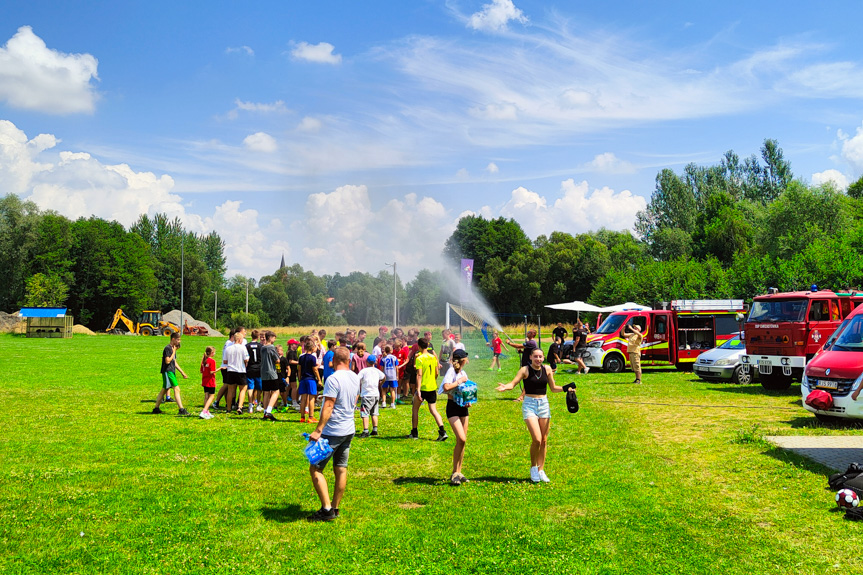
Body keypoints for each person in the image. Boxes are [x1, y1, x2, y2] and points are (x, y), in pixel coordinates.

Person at [307, 347, 361, 522]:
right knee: (340, 468)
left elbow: (329, 405)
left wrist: (318, 430)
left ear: (333, 361)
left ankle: (327, 509)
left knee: (315, 467)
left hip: (332, 431)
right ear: (349, 360)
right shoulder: (355, 377)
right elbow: (353, 400)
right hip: (349, 429)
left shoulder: (333, 378)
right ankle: (336, 508)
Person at [495, 347, 565, 483]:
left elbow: (553, 388)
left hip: (544, 404)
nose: (538, 359)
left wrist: (566, 388)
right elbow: (513, 383)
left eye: (540, 357)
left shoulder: (548, 369)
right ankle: (533, 467)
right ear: (531, 358)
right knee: (537, 439)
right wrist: (506, 387)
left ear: (543, 358)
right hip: (530, 405)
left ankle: (541, 470)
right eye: (536, 357)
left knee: (544, 440)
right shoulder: (525, 370)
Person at [408, 337, 447, 441]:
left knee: (415, 409)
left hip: (423, 388)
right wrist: (432, 380)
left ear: (419, 346)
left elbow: (419, 374)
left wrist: (419, 390)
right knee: (434, 410)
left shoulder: (419, 358)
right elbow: (437, 372)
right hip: (432, 387)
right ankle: (442, 431)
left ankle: (414, 433)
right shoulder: (433, 357)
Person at [442, 349, 471, 485]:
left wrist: (468, 400)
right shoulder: (451, 372)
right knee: (461, 438)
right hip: (452, 407)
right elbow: (446, 387)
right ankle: (454, 472)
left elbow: (464, 389)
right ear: (462, 360)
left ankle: (459, 472)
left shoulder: (463, 372)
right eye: (466, 357)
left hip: (463, 407)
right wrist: (459, 381)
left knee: (462, 442)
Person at [153, 332, 189, 415]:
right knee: (177, 389)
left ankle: (156, 408)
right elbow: (168, 360)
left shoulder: (173, 348)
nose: (179, 341)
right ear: (173, 339)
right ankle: (181, 410)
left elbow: (174, 362)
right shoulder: (168, 348)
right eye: (178, 339)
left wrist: (182, 372)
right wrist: (174, 352)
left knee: (164, 390)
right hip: (168, 371)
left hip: (171, 371)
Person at [223, 330, 250, 414]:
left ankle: (228, 408)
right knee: (243, 389)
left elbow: (225, 361)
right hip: (240, 370)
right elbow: (246, 359)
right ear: (239, 339)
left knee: (230, 390)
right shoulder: (243, 348)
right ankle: (239, 406)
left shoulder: (228, 348)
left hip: (230, 370)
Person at [358, 355, 385, 438]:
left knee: (365, 413)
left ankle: (365, 430)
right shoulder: (377, 371)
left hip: (366, 394)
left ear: (366, 362)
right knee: (374, 413)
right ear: (375, 362)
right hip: (376, 394)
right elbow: (384, 377)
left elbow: (357, 378)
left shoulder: (364, 371)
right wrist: (381, 383)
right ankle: (375, 429)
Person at [298, 339, 322, 423]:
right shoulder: (312, 358)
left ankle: (302, 417)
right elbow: (315, 369)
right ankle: (311, 417)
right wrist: (319, 379)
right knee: (311, 398)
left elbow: (299, 369)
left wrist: (299, 378)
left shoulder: (301, 357)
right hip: (311, 379)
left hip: (303, 379)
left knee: (303, 399)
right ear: (312, 348)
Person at [260, 331, 281, 421]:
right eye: (274, 337)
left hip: (263, 372)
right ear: (270, 337)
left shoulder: (263, 347)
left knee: (266, 392)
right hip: (271, 372)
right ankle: (269, 410)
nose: (274, 339)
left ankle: (265, 412)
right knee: (276, 391)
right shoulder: (271, 347)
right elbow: (277, 360)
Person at [199, 345, 220, 419]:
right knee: (211, 396)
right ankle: (204, 411)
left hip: (205, 380)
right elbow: (212, 372)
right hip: (210, 381)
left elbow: (201, 370)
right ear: (211, 353)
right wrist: (219, 369)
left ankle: (207, 411)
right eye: (214, 353)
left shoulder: (204, 360)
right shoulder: (212, 361)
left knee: (206, 396)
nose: (214, 354)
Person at [245, 330, 263, 413]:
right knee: (259, 388)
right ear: (258, 336)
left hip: (250, 368)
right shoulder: (260, 346)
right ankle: (258, 404)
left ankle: (250, 405)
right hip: (259, 368)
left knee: (250, 388)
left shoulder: (247, 346)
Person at [286, 339, 301, 410]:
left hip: (292, 371)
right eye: (295, 344)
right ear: (291, 345)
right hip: (291, 371)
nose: (297, 345)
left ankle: (285, 400)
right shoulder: (291, 352)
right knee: (294, 386)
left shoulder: (293, 352)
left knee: (288, 387)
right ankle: (294, 401)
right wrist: (299, 362)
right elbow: (291, 361)